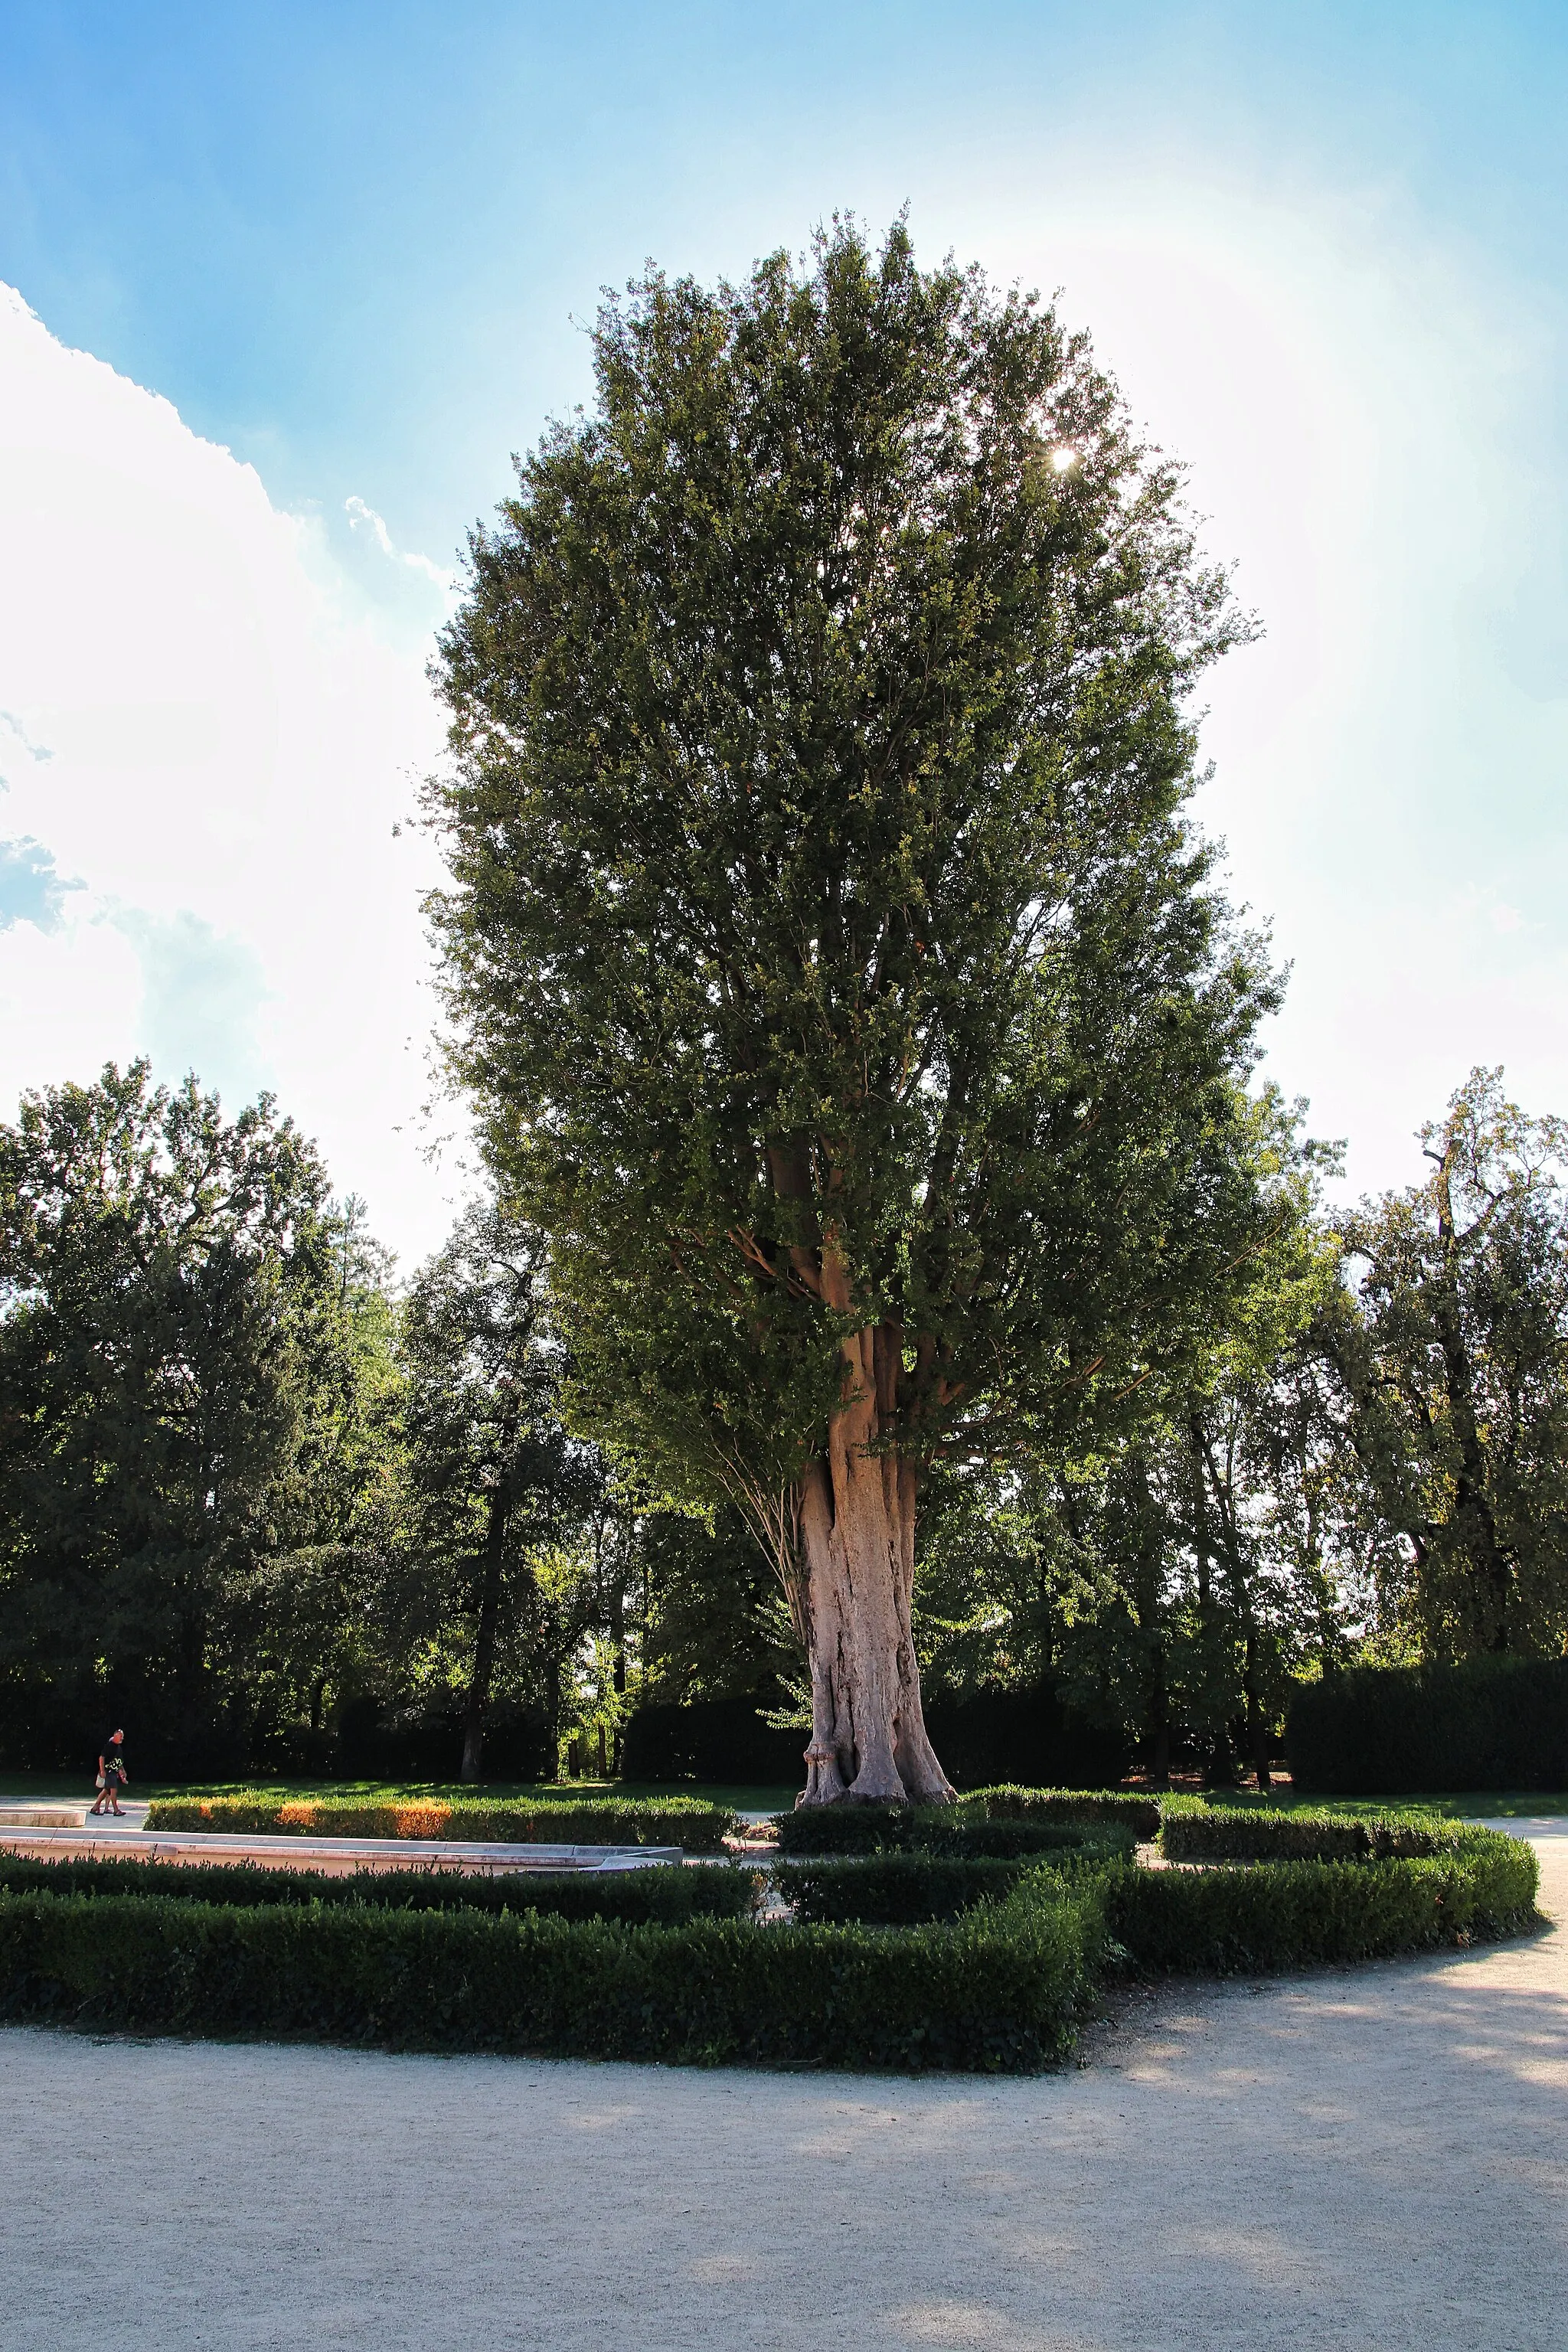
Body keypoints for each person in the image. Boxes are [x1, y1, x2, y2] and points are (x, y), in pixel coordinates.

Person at [90, 1729, 128, 1816]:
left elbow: (119, 1761)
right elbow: (101, 1758)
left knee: (106, 1791)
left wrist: (123, 1770)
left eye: (122, 1736)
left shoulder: (119, 1748)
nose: (122, 1738)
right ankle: (116, 1810)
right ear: (115, 1736)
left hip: (114, 1771)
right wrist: (102, 1770)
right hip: (109, 1771)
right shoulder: (109, 1746)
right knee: (113, 1790)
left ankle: (95, 1808)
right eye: (120, 1736)